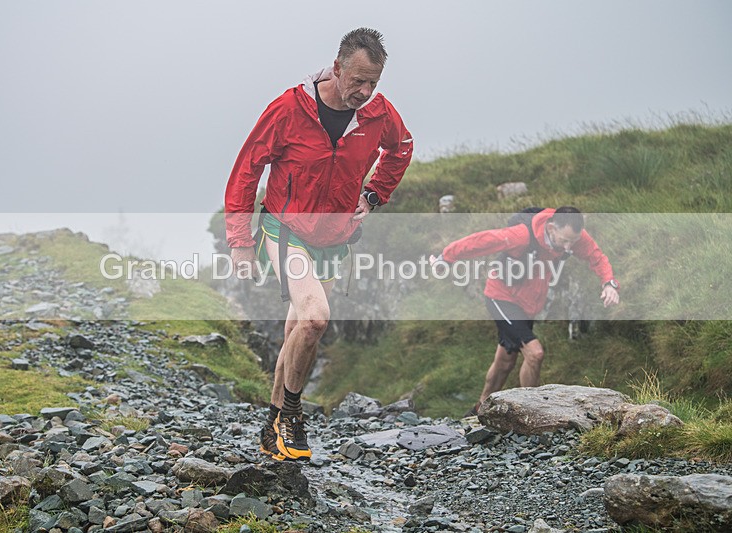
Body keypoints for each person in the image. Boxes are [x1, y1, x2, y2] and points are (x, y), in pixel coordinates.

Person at [224, 28, 413, 460]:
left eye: (373, 83)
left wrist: (375, 193)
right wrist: (239, 240)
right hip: (285, 230)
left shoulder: (378, 114)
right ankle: (293, 413)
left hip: (334, 237)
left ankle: (272, 425)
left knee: (299, 333)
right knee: (315, 318)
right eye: (358, 81)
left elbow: (402, 147)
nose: (365, 92)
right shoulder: (290, 109)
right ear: (337, 67)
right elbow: (247, 169)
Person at [429, 207, 620, 416]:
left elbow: (596, 256)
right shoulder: (521, 235)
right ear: (551, 228)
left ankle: (479, 410)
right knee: (535, 354)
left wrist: (608, 283)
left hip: (527, 306)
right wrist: (445, 258)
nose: (568, 248)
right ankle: (531, 413)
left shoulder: (573, 237)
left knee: (505, 362)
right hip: (501, 297)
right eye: (564, 241)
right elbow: (481, 241)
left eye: (572, 242)